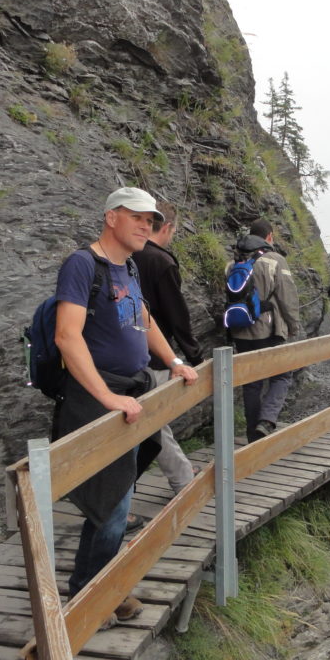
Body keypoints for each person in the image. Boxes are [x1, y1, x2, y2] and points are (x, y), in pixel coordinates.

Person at [52, 186, 198, 620]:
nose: (145, 224)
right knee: (112, 502)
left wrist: (173, 360)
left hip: (131, 393)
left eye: (151, 220)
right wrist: (107, 396)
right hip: (99, 398)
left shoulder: (129, 267)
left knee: (116, 499)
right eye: (136, 216)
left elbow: (144, 318)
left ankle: (99, 589)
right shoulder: (82, 265)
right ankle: (92, 595)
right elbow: (66, 335)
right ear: (111, 216)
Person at [133, 201, 203, 494]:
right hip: (155, 356)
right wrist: (193, 355)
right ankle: (183, 480)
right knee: (153, 421)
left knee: (152, 421)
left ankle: (183, 473)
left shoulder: (126, 255)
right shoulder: (162, 262)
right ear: (169, 227)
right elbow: (177, 315)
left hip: (125, 352)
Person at [226, 219, 303, 442]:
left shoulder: (233, 263)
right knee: (282, 375)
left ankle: (253, 435)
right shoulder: (274, 260)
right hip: (268, 329)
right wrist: (293, 326)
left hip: (240, 328)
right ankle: (267, 420)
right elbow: (287, 298)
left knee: (252, 383)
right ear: (269, 236)